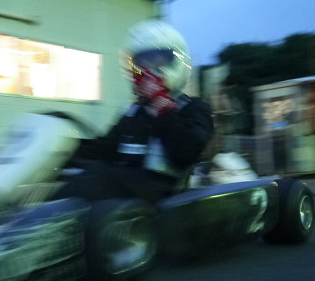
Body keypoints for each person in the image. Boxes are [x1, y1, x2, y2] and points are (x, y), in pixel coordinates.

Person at [53, 18, 215, 204]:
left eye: (158, 60)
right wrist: (66, 148)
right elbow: (107, 150)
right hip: (124, 192)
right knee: (75, 175)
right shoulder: (135, 110)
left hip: (162, 195)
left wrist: (160, 104)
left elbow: (184, 153)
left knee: (96, 179)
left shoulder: (193, 107)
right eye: (144, 62)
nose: (150, 69)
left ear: (176, 61)